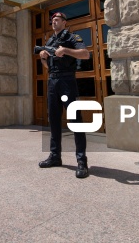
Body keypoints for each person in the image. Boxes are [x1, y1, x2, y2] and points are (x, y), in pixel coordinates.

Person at [37, 12, 91, 178]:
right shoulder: (50, 41)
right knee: (53, 120)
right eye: (52, 19)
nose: (54, 21)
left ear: (65, 22)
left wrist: (66, 51)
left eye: (57, 19)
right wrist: (43, 59)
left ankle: (81, 161)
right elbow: (48, 68)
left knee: (75, 122)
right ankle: (55, 156)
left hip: (68, 82)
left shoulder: (72, 37)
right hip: (53, 82)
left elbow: (86, 54)